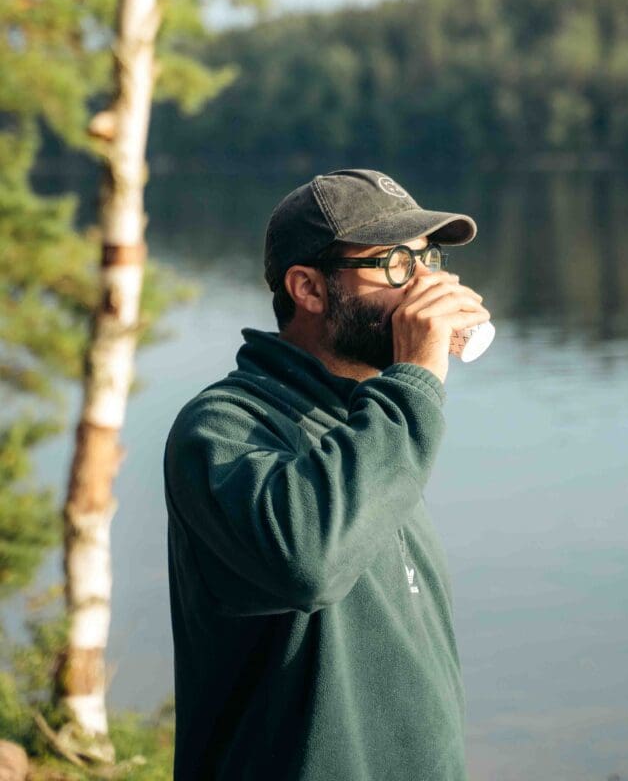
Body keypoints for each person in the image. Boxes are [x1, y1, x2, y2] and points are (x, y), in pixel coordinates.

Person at [163, 168, 490, 780]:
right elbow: (309, 564)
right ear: (309, 288)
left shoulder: (370, 422)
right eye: (396, 263)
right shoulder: (222, 426)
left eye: (428, 258)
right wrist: (416, 378)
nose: (427, 285)